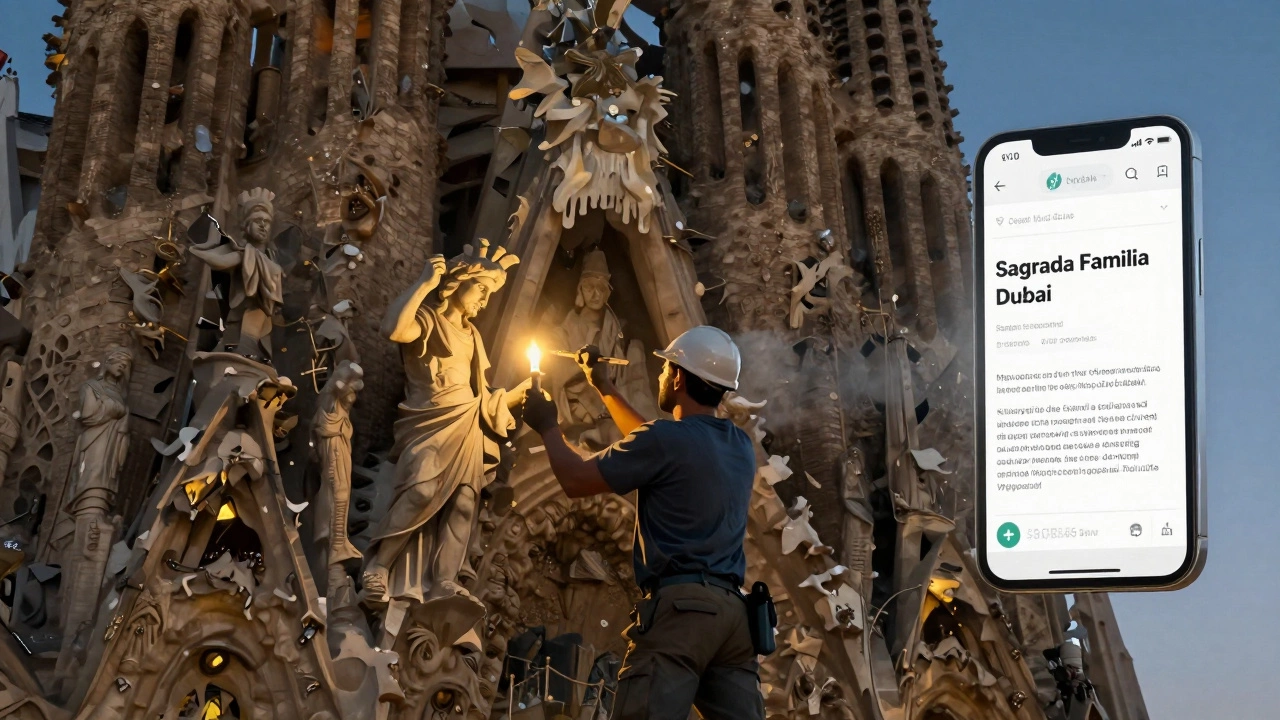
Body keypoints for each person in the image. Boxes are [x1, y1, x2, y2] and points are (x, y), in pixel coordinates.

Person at [521, 326, 764, 720]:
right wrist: (604, 387)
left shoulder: (667, 440)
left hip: (681, 613)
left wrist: (548, 424)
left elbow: (576, 480)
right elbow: (658, 447)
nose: (662, 376)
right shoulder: (739, 445)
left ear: (680, 377)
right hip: (734, 618)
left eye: (666, 369)